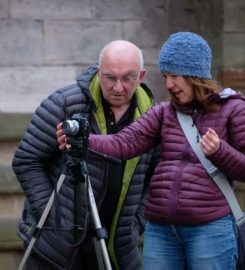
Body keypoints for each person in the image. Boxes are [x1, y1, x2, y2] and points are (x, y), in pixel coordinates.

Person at [58, 32, 245, 270]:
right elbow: (123, 143)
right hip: (161, 232)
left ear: (195, 75)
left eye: (175, 76)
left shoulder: (234, 109)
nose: (168, 85)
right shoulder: (164, 112)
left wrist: (220, 151)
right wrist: (83, 141)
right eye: (166, 76)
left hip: (209, 231)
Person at [12, 40, 159, 270]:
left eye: (127, 78)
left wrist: (137, 222)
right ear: (99, 72)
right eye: (110, 77)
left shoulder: (152, 115)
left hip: (116, 246)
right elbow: (27, 160)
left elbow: (156, 177)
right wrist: (53, 215)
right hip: (56, 246)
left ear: (141, 75)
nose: (118, 87)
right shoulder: (64, 103)